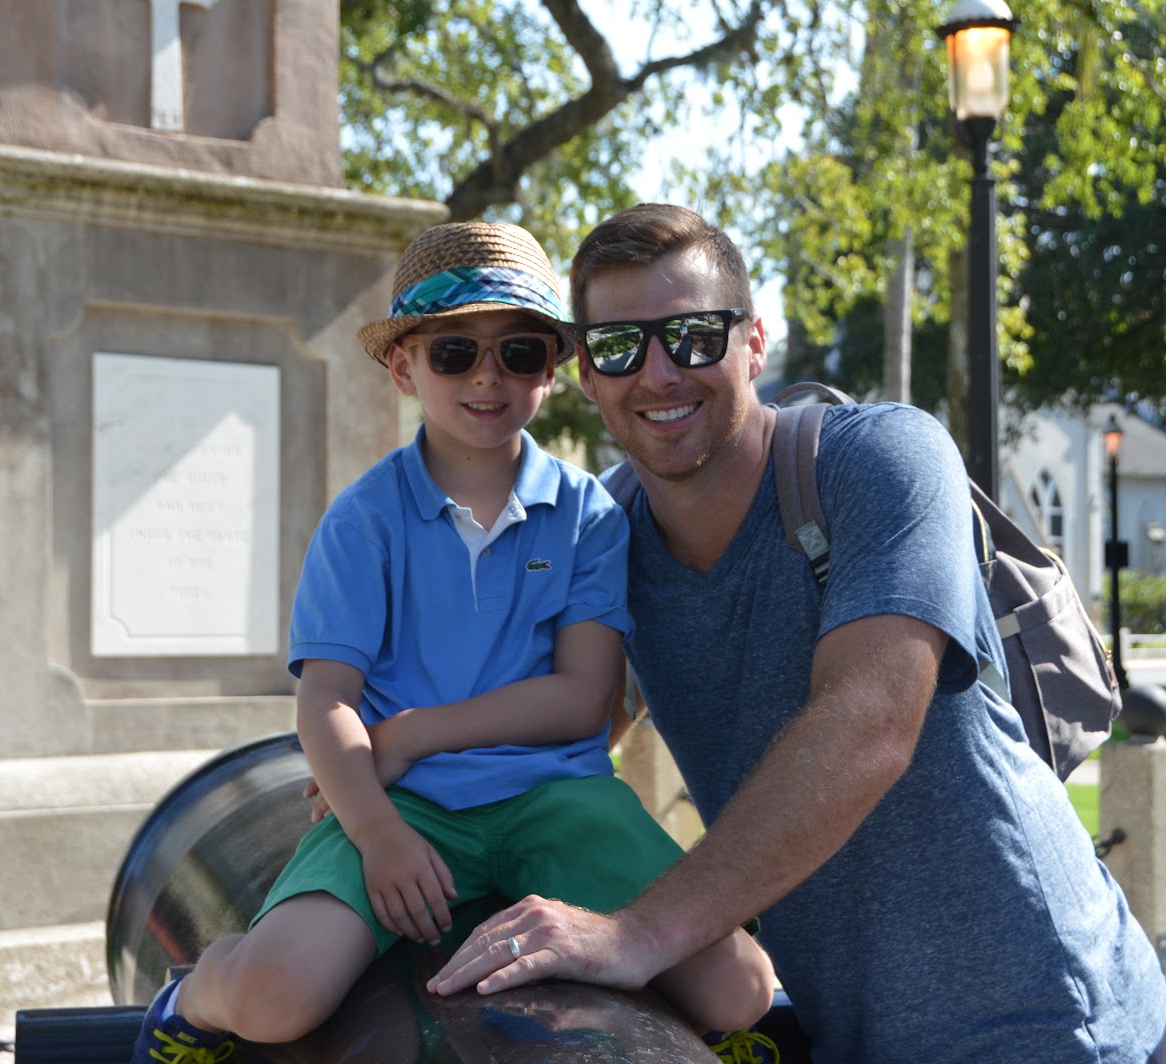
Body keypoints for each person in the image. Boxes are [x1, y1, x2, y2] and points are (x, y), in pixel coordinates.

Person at [427, 204, 1166, 1063]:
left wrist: (639, 933)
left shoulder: (878, 461)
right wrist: (387, 784)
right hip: (849, 1031)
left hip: (1044, 1019)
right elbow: (561, 722)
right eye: (621, 346)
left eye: (694, 337)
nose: (660, 373)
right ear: (588, 375)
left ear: (754, 343)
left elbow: (870, 723)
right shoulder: (604, 535)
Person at [130, 221, 774, 1063]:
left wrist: (412, 733)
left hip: (558, 797)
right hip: (408, 804)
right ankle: (196, 990)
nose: (486, 376)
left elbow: (583, 698)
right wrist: (377, 833)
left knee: (741, 989)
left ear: (552, 368)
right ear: (405, 368)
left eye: (517, 352)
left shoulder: (587, 517)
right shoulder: (364, 521)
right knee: (274, 997)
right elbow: (326, 700)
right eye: (454, 353)